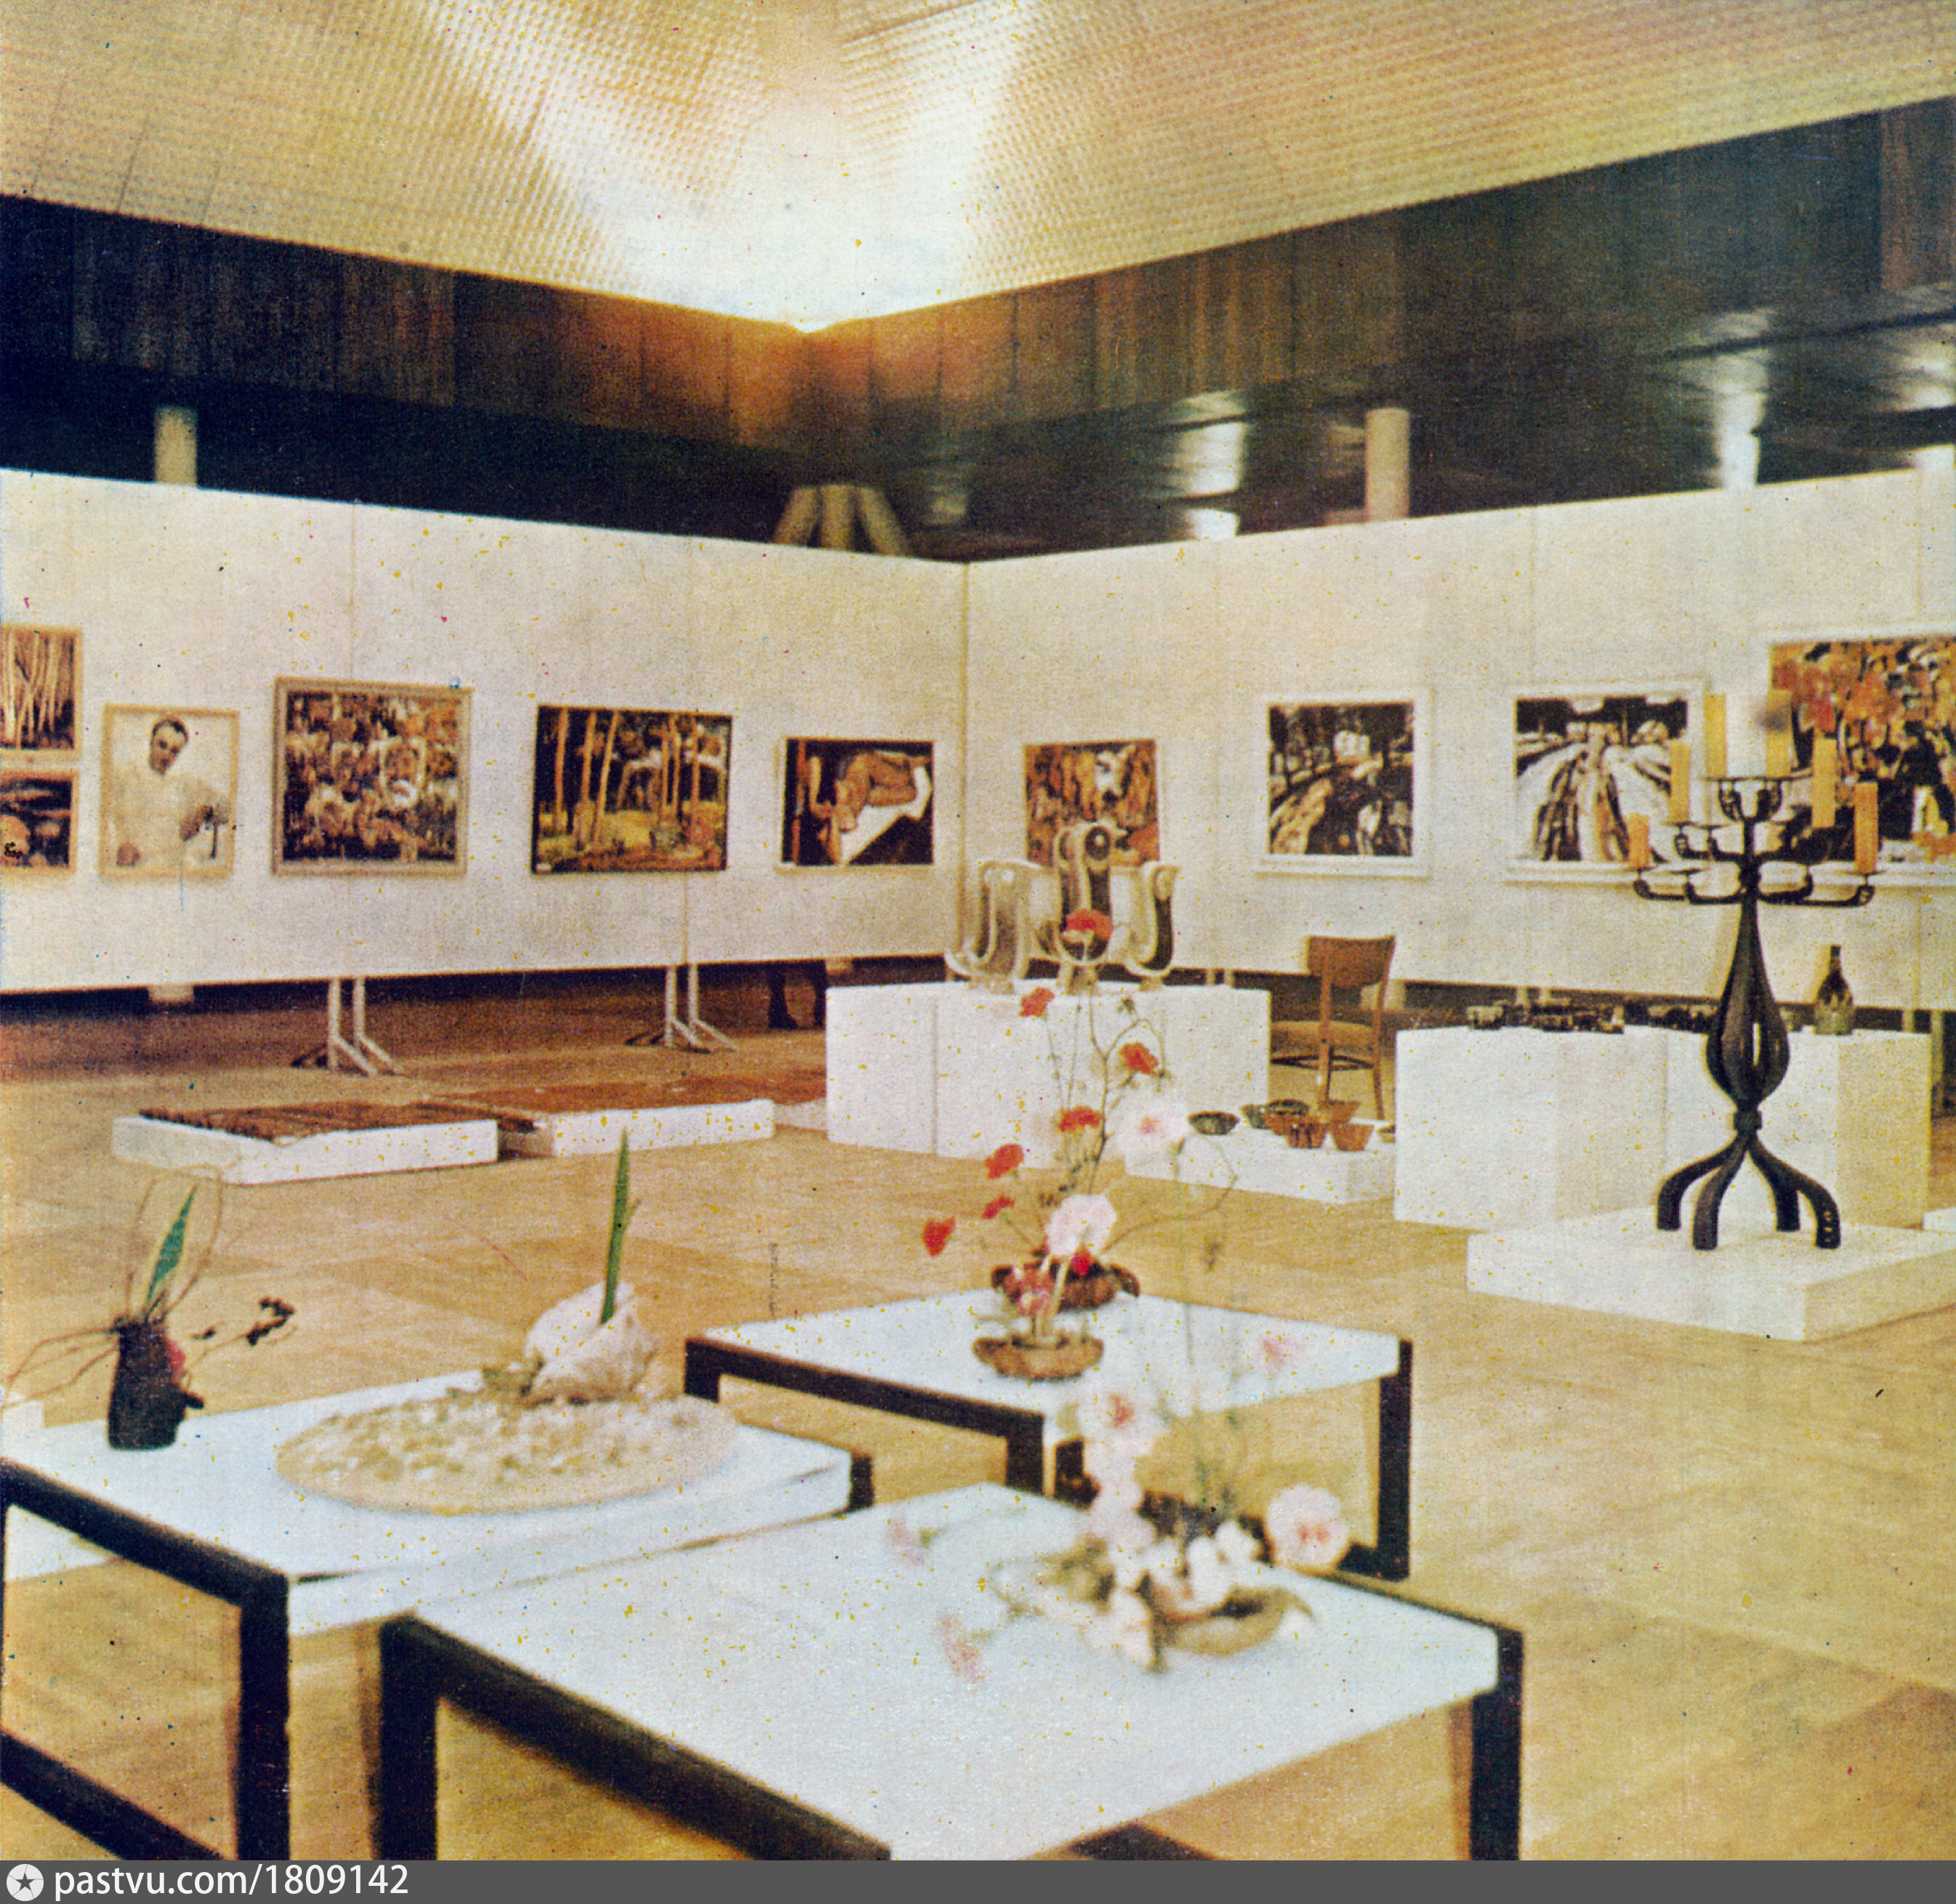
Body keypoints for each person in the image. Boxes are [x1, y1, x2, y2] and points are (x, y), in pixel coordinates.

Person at [110, 716, 231, 869]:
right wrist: (118, 847)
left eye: (174, 751)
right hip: (131, 868)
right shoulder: (124, 775)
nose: (166, 756)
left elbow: (228, 808)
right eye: (162, 745)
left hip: (172, 868)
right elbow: (101, 820)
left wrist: (203, 814)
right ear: (151, 742)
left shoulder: (184, 784)